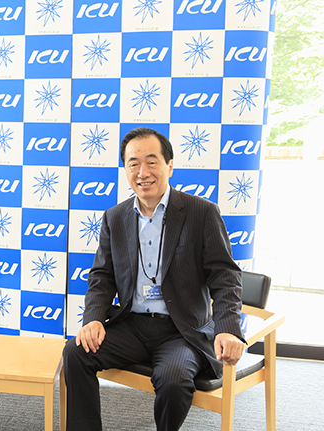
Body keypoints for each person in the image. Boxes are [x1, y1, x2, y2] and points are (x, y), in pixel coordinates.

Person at [62, 127, 246, 430]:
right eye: (133, 163)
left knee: (173, 382)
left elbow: (225, 276)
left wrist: (228, 330)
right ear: (125, 170)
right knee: (76, 352)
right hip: (132, 325)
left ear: (169, 166)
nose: (142, 171)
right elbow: (102, 276)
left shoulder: (201, 213)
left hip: (181, 330)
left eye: (151, 161)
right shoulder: (114, 217)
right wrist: (93, 318)